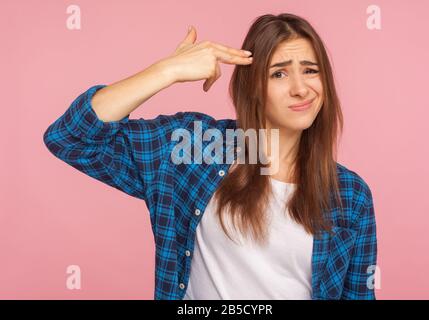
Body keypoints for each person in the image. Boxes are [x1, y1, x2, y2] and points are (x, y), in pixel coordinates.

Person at [43, 13, 377, 300]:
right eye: (279, 73)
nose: (300, 88)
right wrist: (166, 71)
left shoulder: (349, 194)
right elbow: (71, 137)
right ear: (253, 86)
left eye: (310, 70)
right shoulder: (197, 148)